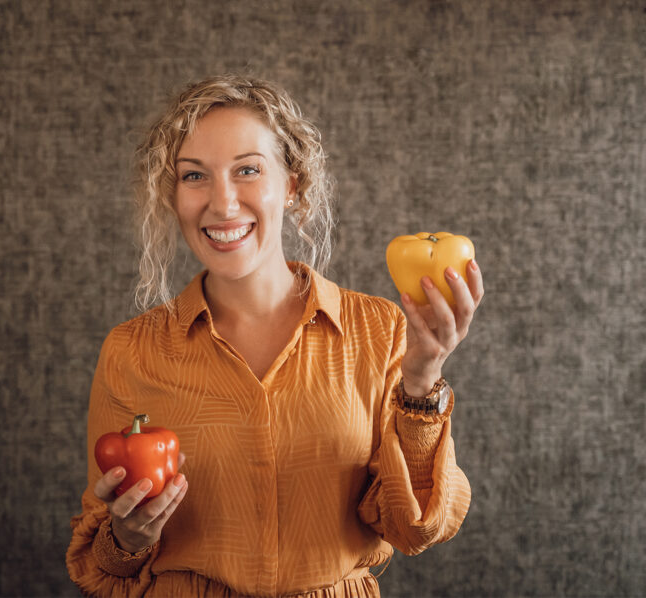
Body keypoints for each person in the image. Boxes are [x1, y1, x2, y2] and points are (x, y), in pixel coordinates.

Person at [66, 74, 484, 597]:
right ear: (172, 196)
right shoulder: (132, 351)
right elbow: (99, 569)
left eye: (247, 170)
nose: (222, 204)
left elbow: (414, 527)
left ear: (293, 185)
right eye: (194, 176)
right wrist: (127, 537)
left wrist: (422, 381)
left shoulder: (379, 330)